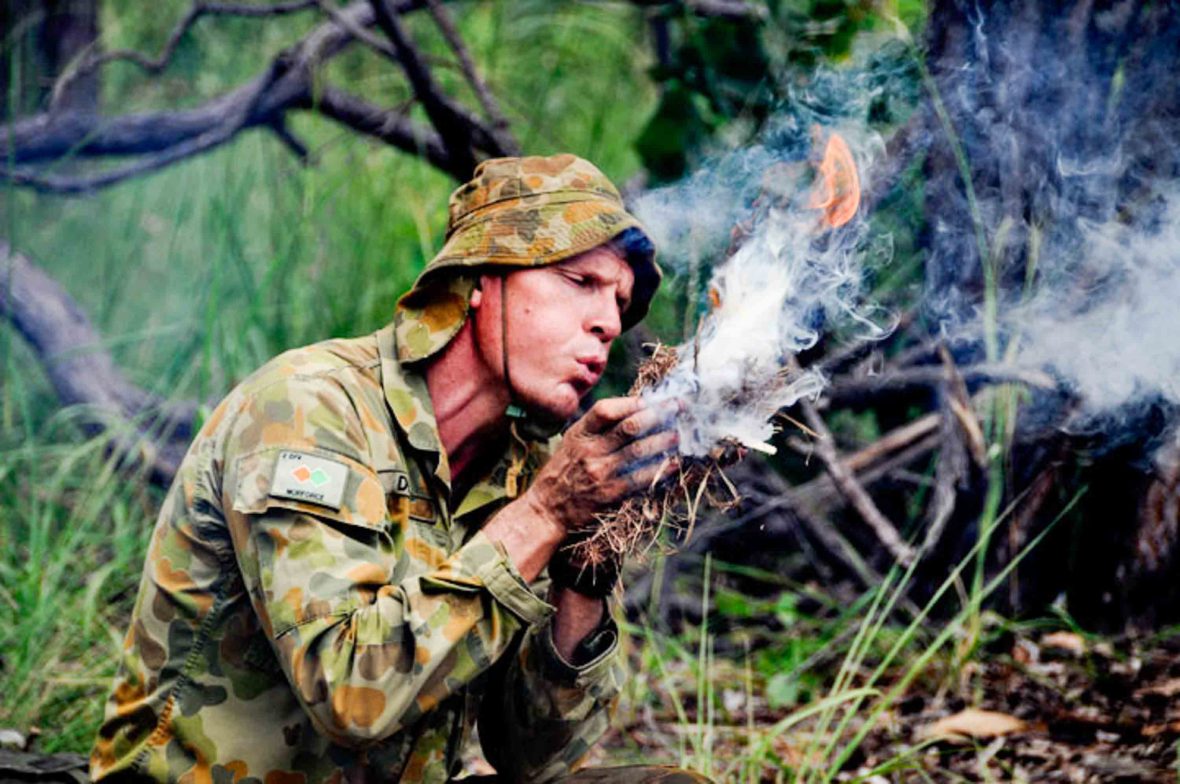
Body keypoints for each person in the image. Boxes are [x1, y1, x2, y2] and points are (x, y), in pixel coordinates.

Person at [90, 154, 707, 783]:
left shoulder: (532, 470)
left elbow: (534, 757)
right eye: (581, 282)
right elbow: (350, 693)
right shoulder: (310, 406)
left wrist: (583, 578)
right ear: (480, 280)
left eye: (621, 301)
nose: (607, 322)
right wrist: (543, 515)